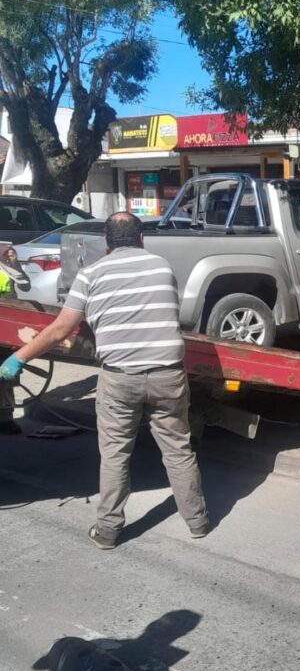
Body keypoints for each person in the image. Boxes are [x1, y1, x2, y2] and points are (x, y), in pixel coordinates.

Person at [0, 212, 209, 548]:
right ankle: (198, 521)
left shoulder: (92, 273)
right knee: (178, 450)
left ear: (107, 244)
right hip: (168, 374)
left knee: (115, 454)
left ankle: (109, 531)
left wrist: (18, 357)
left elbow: (60, 330)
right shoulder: (162, 267)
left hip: (120, 378)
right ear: (142, 239)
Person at [0, 243, 31, 435]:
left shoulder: (5, 263)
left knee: (6, 373)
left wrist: (14, 264)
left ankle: (5, 417)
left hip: (8, 323)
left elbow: (25, 286)